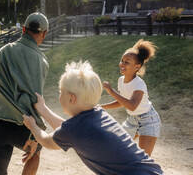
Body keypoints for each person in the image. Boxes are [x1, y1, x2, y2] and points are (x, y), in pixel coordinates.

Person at [23, 61, 164, 175]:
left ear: (72, 98)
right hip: (151, 170)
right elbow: (66, 129)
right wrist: (42, 109)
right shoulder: (98, 114)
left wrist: (32, 126)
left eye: (61, 92)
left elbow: (47, 142)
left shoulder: (75, 129)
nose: (59, 96)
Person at [0, 12, 49, 175]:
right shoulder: (41, 61)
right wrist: (36, 134)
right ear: (44, 33)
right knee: (36, 152)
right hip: (24, 125)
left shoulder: (4, 51)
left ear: (24, 29)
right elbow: (36, 98)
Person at [101, 39, 161, 156]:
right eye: (122, 61)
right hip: (132, 120)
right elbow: (122, 102)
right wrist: (103, 107)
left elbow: (132, 106)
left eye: (127, 62)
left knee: (143, 158)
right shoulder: (121, 80)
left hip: (148, 121)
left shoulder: (139, 84)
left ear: (137, 66)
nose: (122, 64)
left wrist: (111, 91)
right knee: (116, 148)